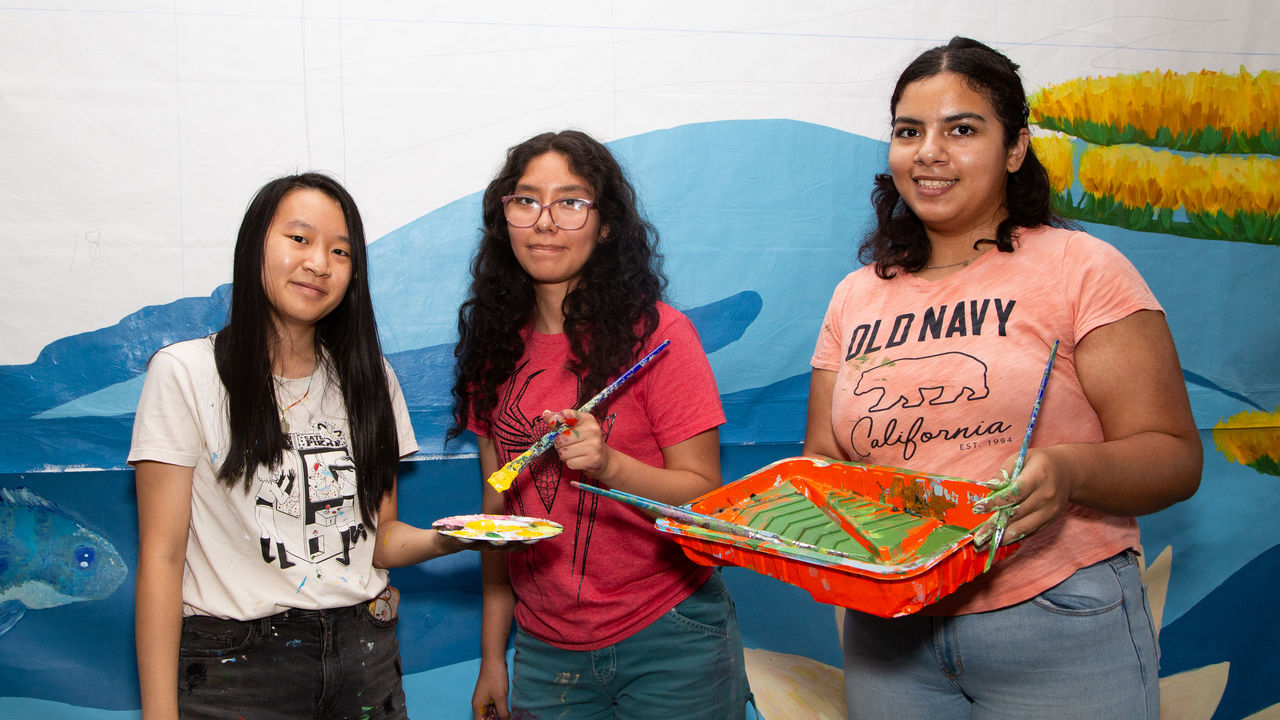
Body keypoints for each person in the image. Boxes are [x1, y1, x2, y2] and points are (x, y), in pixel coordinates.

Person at [804, 37, 1202, 720]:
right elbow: (826, 460)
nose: (929, 152)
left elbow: (1173, 456)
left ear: (1015, 148)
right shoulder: (854, 297)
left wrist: (1069, 472)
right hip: (888, 628)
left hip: (1055, 620)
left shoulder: (1083, 268)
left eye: (962, 129)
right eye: (909, 131)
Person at [131, 173, 480, 719]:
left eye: (340, 251)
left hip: (365, 654)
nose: (319, 262)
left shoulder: (371, 379)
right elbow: (162, 556)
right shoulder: (186, 372)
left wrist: (455, 539)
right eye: (299, 239)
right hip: (234, 669)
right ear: (255, 248)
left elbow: (379, 539)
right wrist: (158, 713)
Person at [450, 130, 751, 720]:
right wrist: (493, 656)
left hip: (671, 633)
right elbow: (497, 519)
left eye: (571, 201)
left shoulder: (660, 336)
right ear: (503, 217)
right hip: (544, 651)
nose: (545, 221)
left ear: (605, 223)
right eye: (526, 200)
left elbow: (708, 498)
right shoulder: (492, 350)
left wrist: (611, 465)